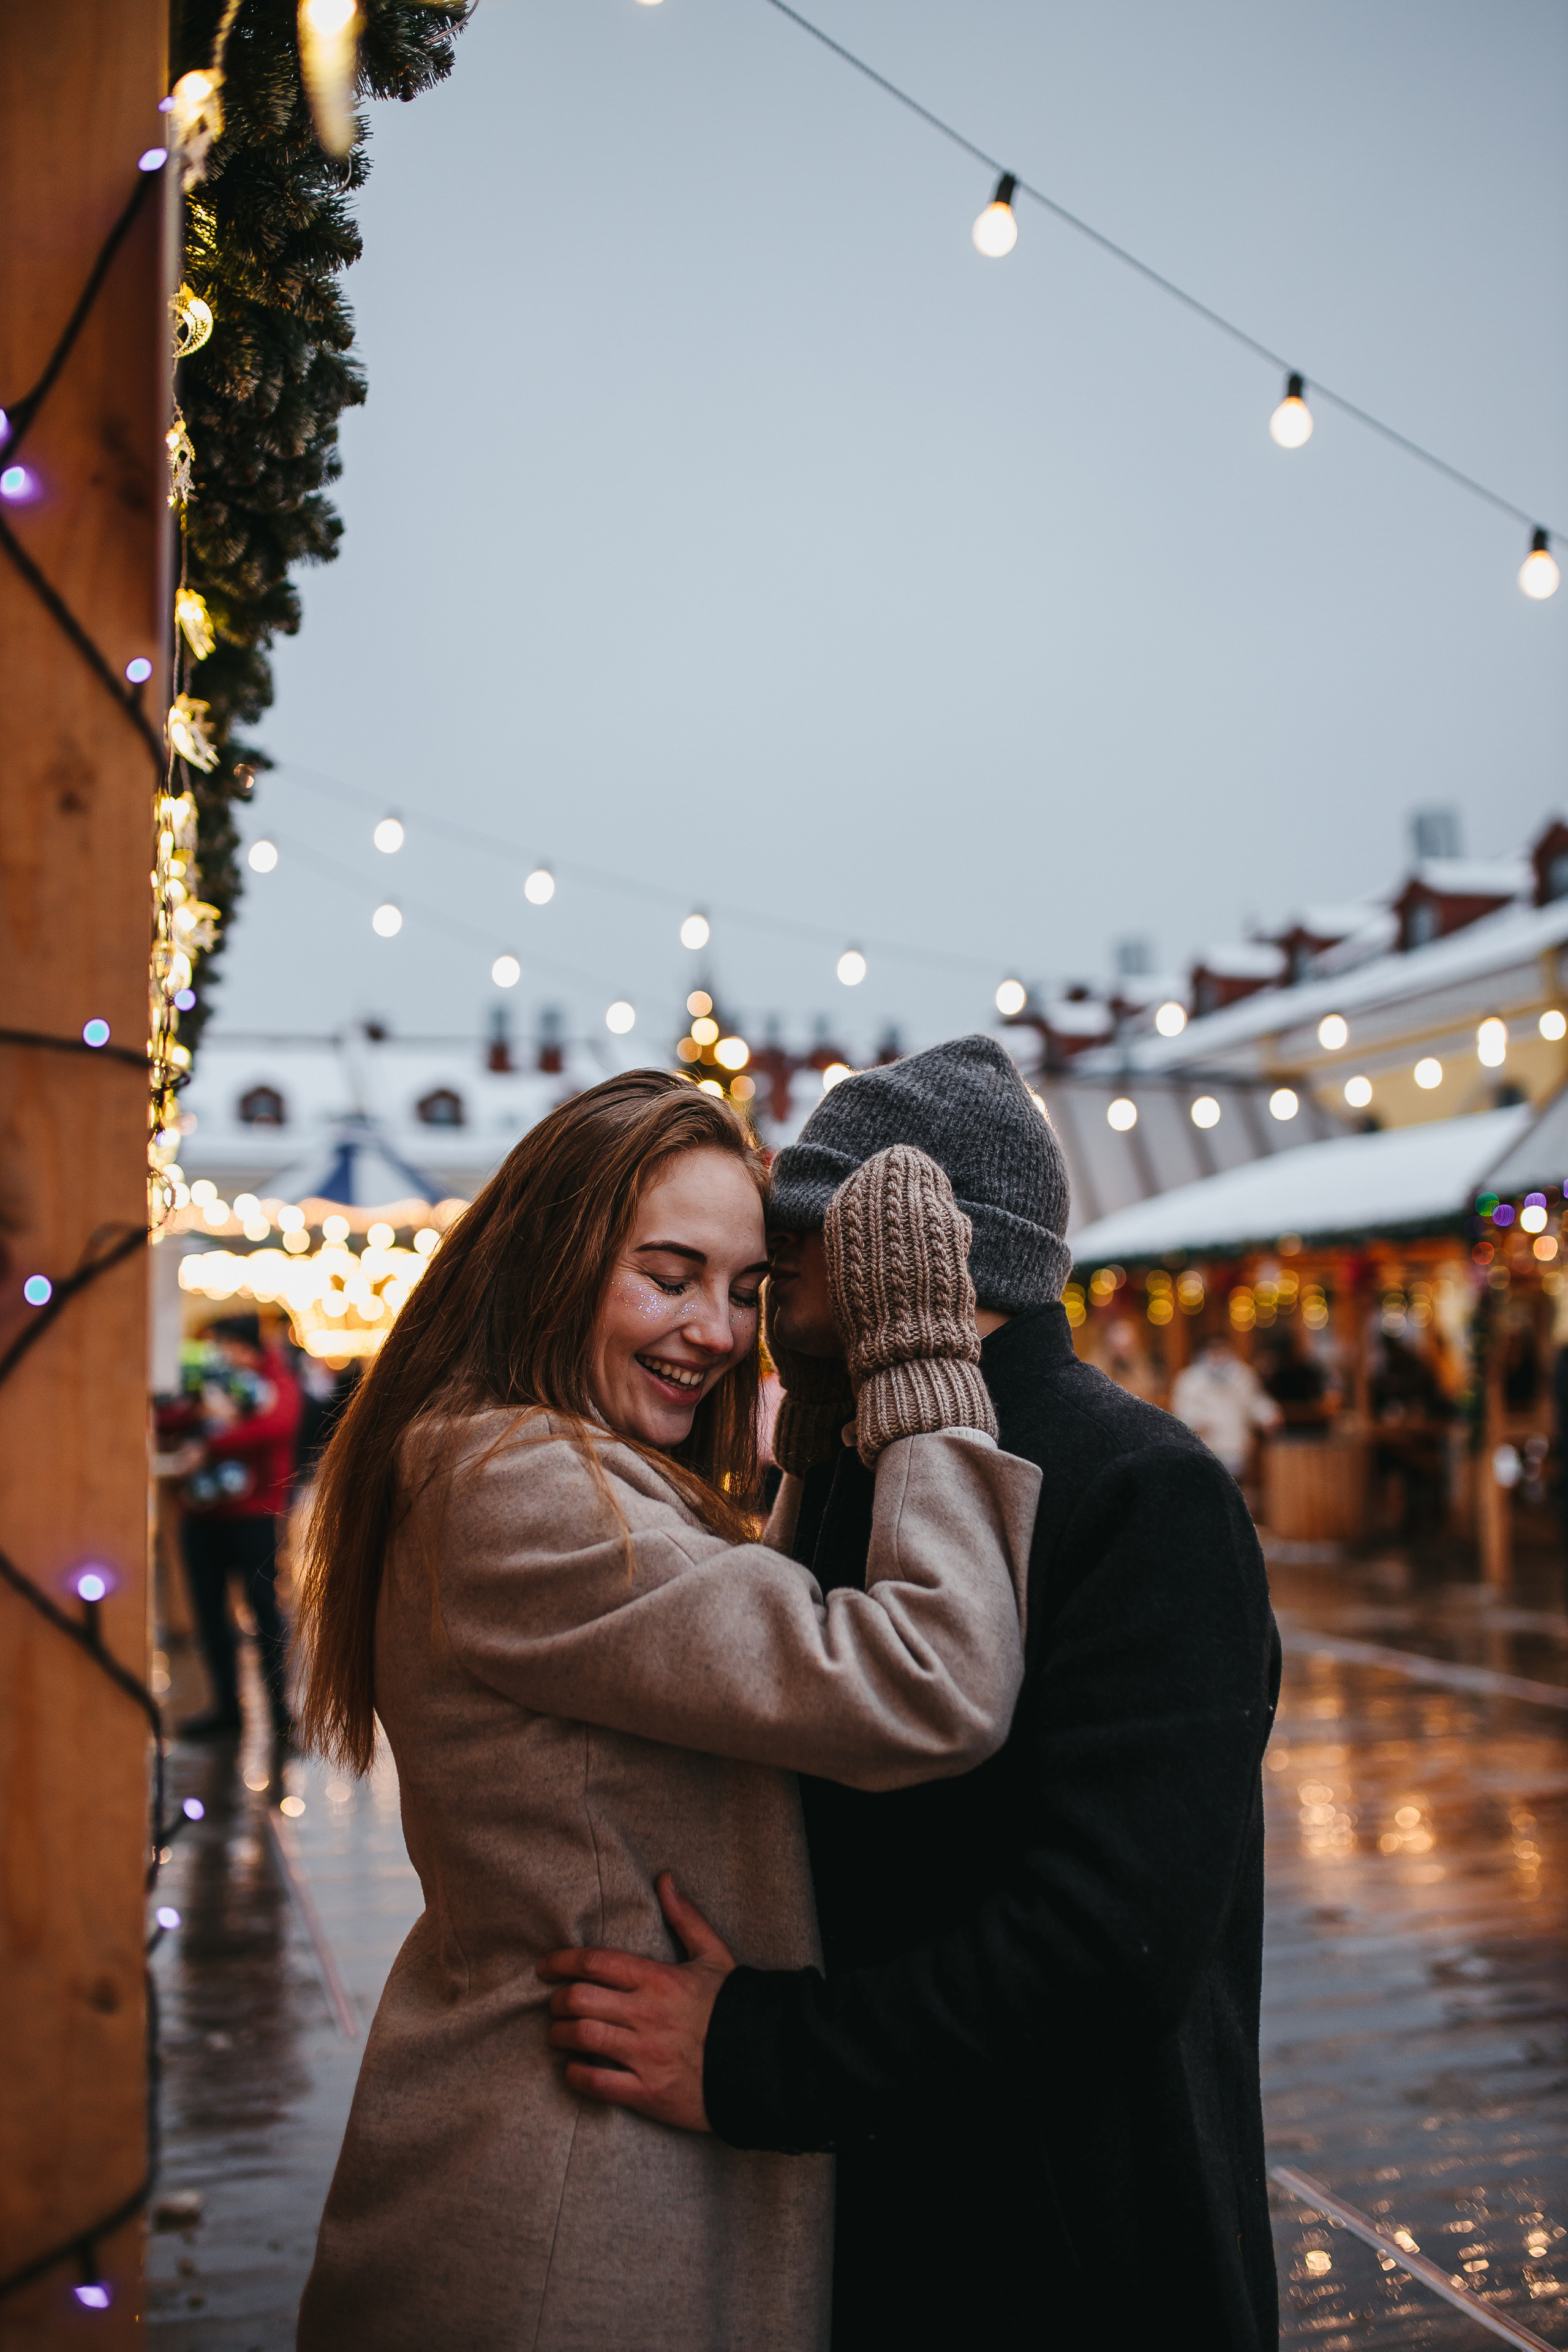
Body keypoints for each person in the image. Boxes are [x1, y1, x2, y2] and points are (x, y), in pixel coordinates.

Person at [543, 1036, 1281, 2352]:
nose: (765, 1279)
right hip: (878, 2222)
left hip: (1072, 2255)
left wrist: (762, 2052)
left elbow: (1109, 1950)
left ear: (896, 1236)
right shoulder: (852, 1465)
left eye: (793, 1235)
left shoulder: (1137, 1488)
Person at [293, 1071, 1038, 2352]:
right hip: (571, 2201)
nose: (714, 1328)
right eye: (667, 1274)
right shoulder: (521, 1489)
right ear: (551, 1266)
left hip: (578, 2146)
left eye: (746, 1291)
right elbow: (928, 1683)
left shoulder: (536, 1465)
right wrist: (914, 1362)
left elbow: (742, 1642)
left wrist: (802, 1426)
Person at [178, 1311, 302, 1743]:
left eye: (226, 1344)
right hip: (201, 1518)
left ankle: (281, 1714)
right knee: (210, 1617)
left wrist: (209, 1443)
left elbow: (275, 1427)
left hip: (254, 1518)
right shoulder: (203, 1379)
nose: (219, 1353)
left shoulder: (277, 1382)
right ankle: (227, 1709)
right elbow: (167, 1419)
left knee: (265, 1613)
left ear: (248, 1349)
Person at [1170, 1327, 1282, 1480]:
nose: (1218, 1354)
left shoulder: (1242, 1374)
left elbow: (1255, 1401)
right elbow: (1182, 1411)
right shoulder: (1190, 1379)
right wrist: (1198, 1423)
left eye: (1222, 1349)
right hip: (1205, 1448)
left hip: (1237, 1446)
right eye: (1213, 1349)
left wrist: (1269, 1416)